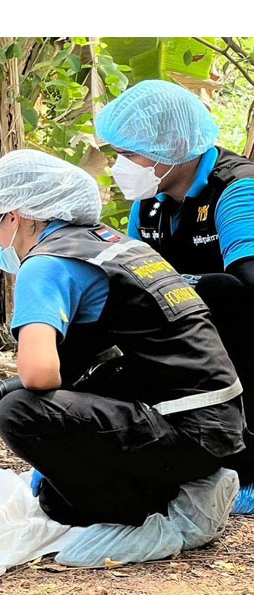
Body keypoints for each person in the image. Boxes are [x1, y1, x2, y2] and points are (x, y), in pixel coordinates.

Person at [0, 150, 244, 553]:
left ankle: (160, 509)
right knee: (56, 500)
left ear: (15, 217)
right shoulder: (111, 243)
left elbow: (37, 374)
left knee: (19, 411)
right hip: (219, 422)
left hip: (188, 428)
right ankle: (187, 481)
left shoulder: (46, 263)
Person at [96, 79, 254, 483]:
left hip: (242, 332)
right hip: (198, 335)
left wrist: (165, 282)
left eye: (129, 154)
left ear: (173, 145)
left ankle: (246, 461)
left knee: (225, 295)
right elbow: (130, 279)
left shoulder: (237, 190)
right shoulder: (149, 203)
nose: (120, 166)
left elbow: (247, 287)